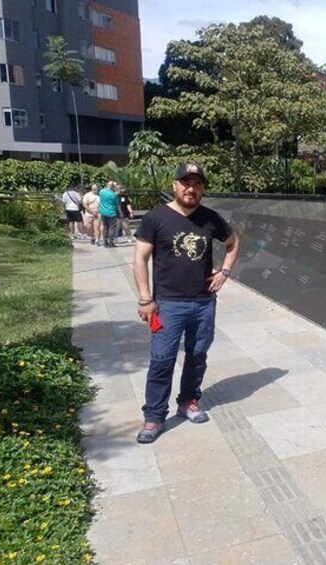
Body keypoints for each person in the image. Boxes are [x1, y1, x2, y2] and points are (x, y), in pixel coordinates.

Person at [133, 163, 239, 443]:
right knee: (161, 360)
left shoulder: (210, 218)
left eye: (197, 184)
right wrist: (146, 298)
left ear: (202, 188)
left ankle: (188, 401)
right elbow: (140, 258)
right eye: (185, 183)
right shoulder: (156, 218)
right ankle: (154, 417)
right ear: (175, 186)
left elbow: (233, 242)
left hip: (204, 303)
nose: (190, 189)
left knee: (197, 355)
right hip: (167, 303)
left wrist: (224, 272)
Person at [99, 181, 119, 247]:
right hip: (112, 213)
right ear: (112, 186)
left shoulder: (101, 192)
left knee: (105, 227)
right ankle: (111, 242)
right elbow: (117, 204)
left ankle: (105, 242)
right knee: (111, 228)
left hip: (103, 213)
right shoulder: (114, 195)